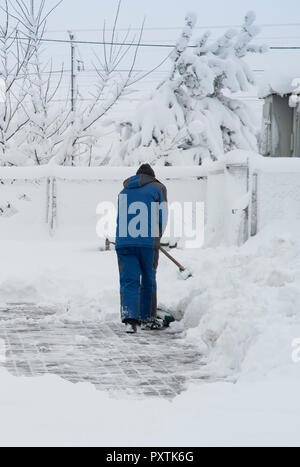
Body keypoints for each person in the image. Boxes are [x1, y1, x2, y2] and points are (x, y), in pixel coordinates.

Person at [115, 164, 168, 333]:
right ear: (151, 176)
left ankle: (130, 319)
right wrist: (157, 236)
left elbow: (120, 217)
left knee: (129, 280)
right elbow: (163, 215)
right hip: (147, 243)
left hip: (124, 242)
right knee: (148, 279)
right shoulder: (158, 188)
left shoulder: (123, 192)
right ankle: (147, 318)